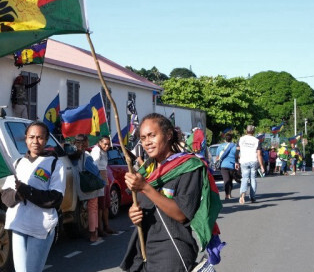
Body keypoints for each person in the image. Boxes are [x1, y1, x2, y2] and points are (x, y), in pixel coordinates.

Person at [121, 113, 221, 272]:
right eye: (143, 137)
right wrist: (134, 213)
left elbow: (181, 214)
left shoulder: (188, 167)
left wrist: (146, 187)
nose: (147, 142)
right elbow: (143, 206)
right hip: (145, 248)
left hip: (171, 250)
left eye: (152, 135)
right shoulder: (147, 170)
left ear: (168, 135)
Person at [1, 122, 65, 272]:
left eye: (40, 137)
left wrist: (26, 190)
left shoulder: (55, 164)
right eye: (31, 137)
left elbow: (55, 198)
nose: (35, 141)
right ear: (25, 139)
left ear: (47, 139)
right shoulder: (17, 163)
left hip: (41, 229)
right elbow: (5, 196)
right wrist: (18, 194)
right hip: (18, 225)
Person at [70, 134, 104, 242]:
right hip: (89, 186)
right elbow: (94, 171)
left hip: (78, 186)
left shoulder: (72, 154)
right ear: (86, 143)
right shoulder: (86, 156)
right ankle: (93, 234)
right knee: (93, 209)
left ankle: (90, 231)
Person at [90, 135, 116, 236]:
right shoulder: (96, 150)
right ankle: (100, 228)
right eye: (105, 144)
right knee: (100, 206)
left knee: (106, 205)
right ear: (100, 143)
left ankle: (106, 226)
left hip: (105, 178)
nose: (107, 146)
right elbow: (95, 165)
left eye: (108, 144)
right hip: (100, 178)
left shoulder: (104, 152)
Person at [236, 125, 264, 204]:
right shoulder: (256, 140)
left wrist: (236, 161)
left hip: (244, 161)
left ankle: (242, 195)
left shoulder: (241, 139)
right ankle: (252, 197)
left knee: (244, 178)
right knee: (253, 179)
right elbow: (259, 154)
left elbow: (237, 151)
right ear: (253, 132)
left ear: (246, 131)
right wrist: (261, 166)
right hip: (253, 161)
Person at [217, 133, 238, 200]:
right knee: (230, 180)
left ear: (225, 139)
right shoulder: (234, 146)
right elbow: (237, 156)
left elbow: (217, 157)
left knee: (226, 180)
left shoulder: (220, 146)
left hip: (223, 165)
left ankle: (227, 194)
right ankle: (229, 194)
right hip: (232, 165)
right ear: (231, 138)